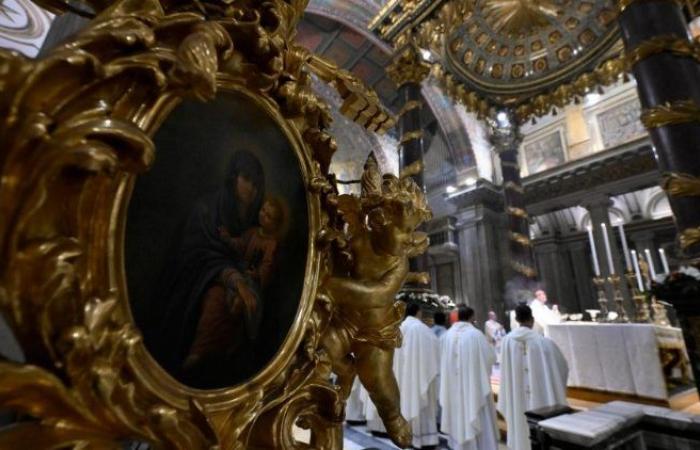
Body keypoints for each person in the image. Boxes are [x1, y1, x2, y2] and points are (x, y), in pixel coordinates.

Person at [146, 150, 266, 388]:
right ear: (234, 178)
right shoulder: (207, 210)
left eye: (256, 183)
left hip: (238, 286)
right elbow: (198, 256)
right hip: (194, 287)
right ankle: (196, 355)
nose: (251, 189)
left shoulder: (257, 220)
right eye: (246, 179)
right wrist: (234, 280)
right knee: (217, 297)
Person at [184, 196, 288, 370]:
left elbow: (267, 267)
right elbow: (240, 244)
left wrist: (258, 273)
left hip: (252, 283)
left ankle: (231, 341)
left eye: (268, 216)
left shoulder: (271, 244)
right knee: (227, 295)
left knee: (240, 303)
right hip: (240, 273)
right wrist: (227, 238)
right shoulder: (253, 232)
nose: (263, 216)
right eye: (263, 210)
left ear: (275, 224)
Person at [366, 303, 441, 449]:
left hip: (401, 377)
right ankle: (424, 439)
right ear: (418, 312)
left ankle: (406, 434)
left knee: (404, 402)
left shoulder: (398, 328)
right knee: (418, 403)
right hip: (418, 377)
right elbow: (434, 348)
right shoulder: (421, 329)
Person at [498, 304, 569, 450]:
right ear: (532, 319)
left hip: (516, 399)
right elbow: (562, 368)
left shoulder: (507, 342)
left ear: (517, 319)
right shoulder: (544, 342)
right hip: (541, 400)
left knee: (519, 427)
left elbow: (503, 372)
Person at [440, 305, 498, 450]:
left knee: (458, 415)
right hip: (474, 388)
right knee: (477, 413)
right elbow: (490, 358)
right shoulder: (476, 335)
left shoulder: (448, 335)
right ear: (471, 317)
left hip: (454, 387)